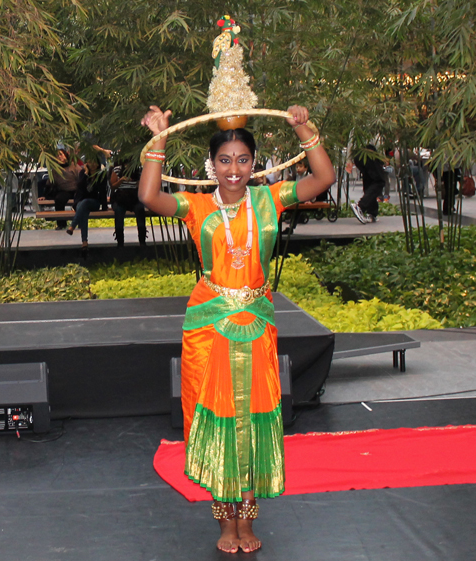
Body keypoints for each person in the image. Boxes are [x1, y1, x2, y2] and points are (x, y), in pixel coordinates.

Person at [139, 105, 335, 554]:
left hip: (257, 325)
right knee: (220, 425)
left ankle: (248, 521)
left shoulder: (271, 198)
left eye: (243, 160)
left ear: (255, 163)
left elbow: (322, 178)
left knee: (254, 424)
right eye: (225, 161)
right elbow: (150, 197)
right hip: (211, 329)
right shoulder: (197, 205)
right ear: (212, 165)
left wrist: (304, 128)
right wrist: (161, 139)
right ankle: (225, 524)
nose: (234, 169)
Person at [66, 158, 108, 250]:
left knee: (84, 204)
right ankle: (84, 242)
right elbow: (79, 188)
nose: (92, 164)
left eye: (94, 161)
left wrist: (104, 206)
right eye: (90, 161)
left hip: (94, 202)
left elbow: (103, 191)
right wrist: (86, 174)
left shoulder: (101, 175)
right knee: (83, 210)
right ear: (87, 163)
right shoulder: (82, 173)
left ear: (98, 164)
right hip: (81, 202)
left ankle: (73, 226)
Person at [41, 149, 82, 229]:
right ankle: (61, 224)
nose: (59, 157)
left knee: (79, 203)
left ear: (65, 155)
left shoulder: (74, 166)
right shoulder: (55, 169)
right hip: (64, 191)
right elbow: (50, 183)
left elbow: (81, 178)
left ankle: (80, 223)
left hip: (76, 190)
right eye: (57, 155)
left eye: (61, 154)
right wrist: (44, 196)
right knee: (59, 200)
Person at [110, 161, 147, 246]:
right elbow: (112, 186)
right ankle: (120, 242)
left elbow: (143, 185)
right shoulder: (117, 169)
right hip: (121, 198)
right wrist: (121, 180)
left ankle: (142, 240)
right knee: (118, 212)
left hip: (134, 197)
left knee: (140, 210)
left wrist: (139, 182)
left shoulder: (138, 169)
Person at [351, 144, 386, 223]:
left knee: (370, 181)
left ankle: (372, 213)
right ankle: (361, 206)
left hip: (359, 154)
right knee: (379, 181)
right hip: (369, 153)